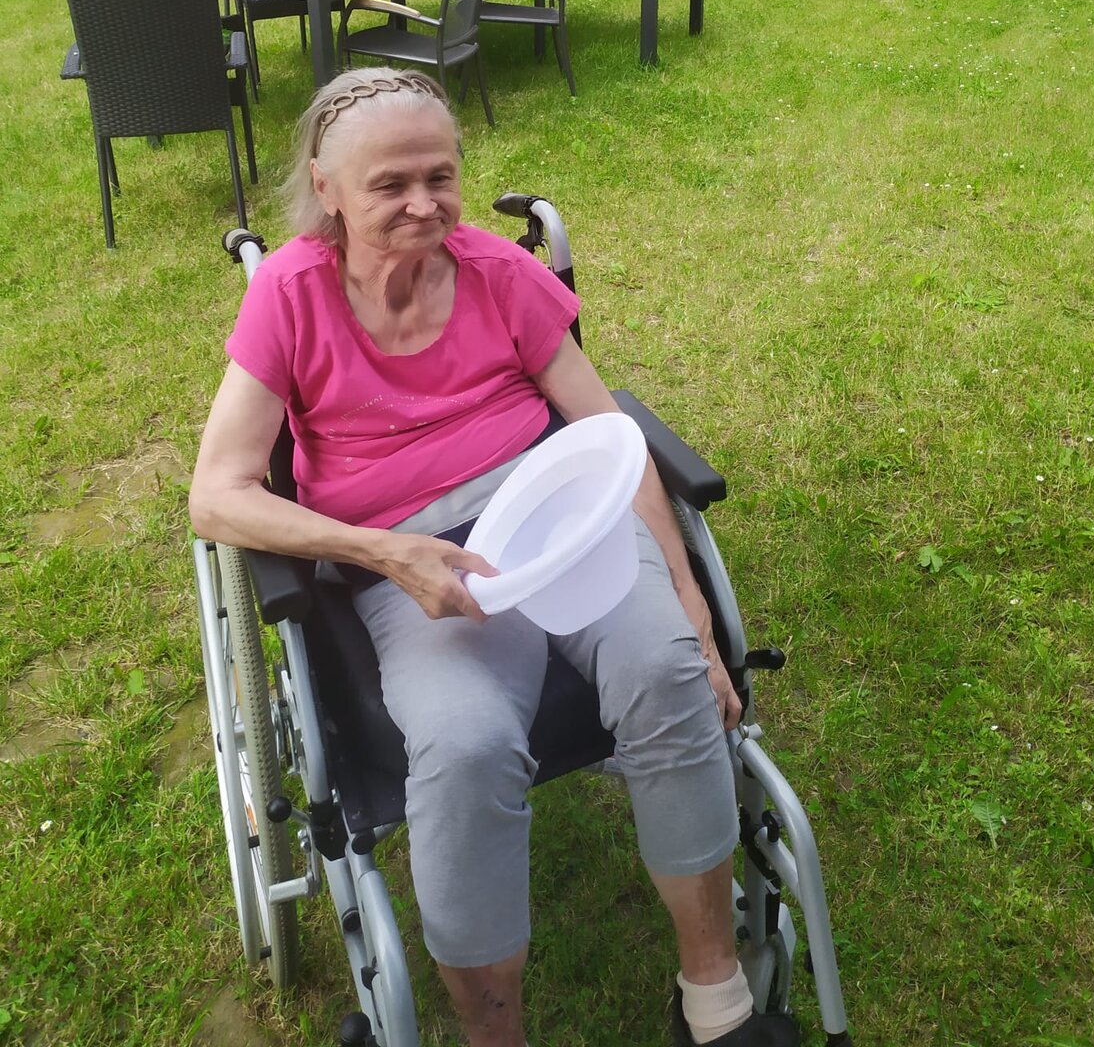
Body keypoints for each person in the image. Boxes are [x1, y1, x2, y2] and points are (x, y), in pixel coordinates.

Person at [190, 68, 798, 1047]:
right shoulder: (291, 297)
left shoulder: (497, 271)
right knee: (466, 744)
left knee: (667, 666)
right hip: (408, 555)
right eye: (391, 184)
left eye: (441, 175)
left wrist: (690, 603)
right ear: (327, 187)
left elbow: (607, 434)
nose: (424, 203)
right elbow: (217, 494)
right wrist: (385, 553)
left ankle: (716, 997)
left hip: (555, 516)